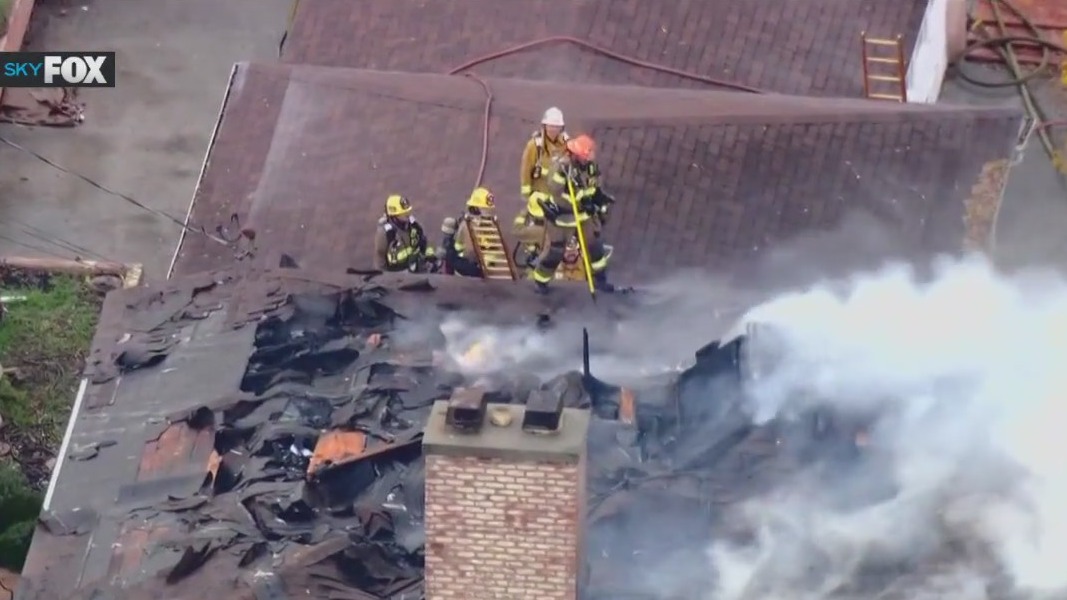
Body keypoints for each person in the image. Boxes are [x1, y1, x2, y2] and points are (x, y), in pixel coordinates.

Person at [530, 134, 614, 293]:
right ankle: (541, 281)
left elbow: (594, 184)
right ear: (577, 155)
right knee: (556, 251)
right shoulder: (561, 168)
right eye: (586, 155)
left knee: (594, 246)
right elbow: (556, 191)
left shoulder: (590, 167)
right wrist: (581, 199)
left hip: (583, 216)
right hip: (563, 216)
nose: (589, 158)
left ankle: (600, 280)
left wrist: (598, 197)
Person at [513, 107, 570, 264]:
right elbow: (526, 169)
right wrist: (526, 193)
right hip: (539, 197)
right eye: (550, 126)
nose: (553, 130)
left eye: (556, 127)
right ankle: (535, 256)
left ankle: (551, 256)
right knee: (540, 231)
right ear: (544, 126)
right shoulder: (534, 146)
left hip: (558, 198)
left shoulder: (567, 144)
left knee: (558, 232)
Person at [441, 187, 498, 277]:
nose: (487, 213)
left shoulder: (469, 225)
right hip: (477, 267)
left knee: (449, 256)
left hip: (474, 268)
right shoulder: (490, 227)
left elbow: (465, 249)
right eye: (485, 209)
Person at [373, 194, 436, 272]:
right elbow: (380, 260)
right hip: (396, 274)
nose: (407, 215)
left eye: (408, 212)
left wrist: (430, 257)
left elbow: (424, 242)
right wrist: (385, 277)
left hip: (417, 270)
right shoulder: (386, 233)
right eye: (404, 213)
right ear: (394, 216)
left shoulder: (414, 226)